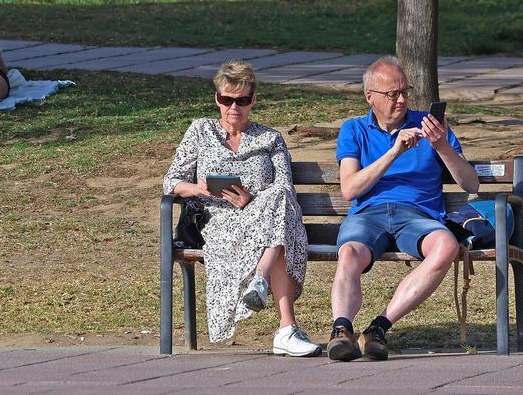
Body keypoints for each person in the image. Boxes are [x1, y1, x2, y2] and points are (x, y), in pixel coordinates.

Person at [162, 60, 321, 356]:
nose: (234, 107)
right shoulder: (200, 131)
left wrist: (251, 200)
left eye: (242, 100)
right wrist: (199, 188)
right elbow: (170, 182)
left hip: (265, 214)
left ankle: (261, 281)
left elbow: (285, 186)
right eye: (227, 100)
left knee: (279, 201)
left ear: (254, 100)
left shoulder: (269, 138)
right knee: (279, 230)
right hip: (220, 222)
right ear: (217, 99)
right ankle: (286, 328)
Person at [326, 56, 479, 362]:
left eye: (404, 92)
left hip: (418, 215)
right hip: (370, 214)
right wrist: (394, 152)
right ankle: (342, 330)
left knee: (446, 246)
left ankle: (378, 328)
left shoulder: (430, 126)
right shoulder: (354, 130)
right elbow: (350, 189)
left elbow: (471, 184)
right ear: (370, 96)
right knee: (349, 253)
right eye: (392, 94)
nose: (401, 99)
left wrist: (442, 147)